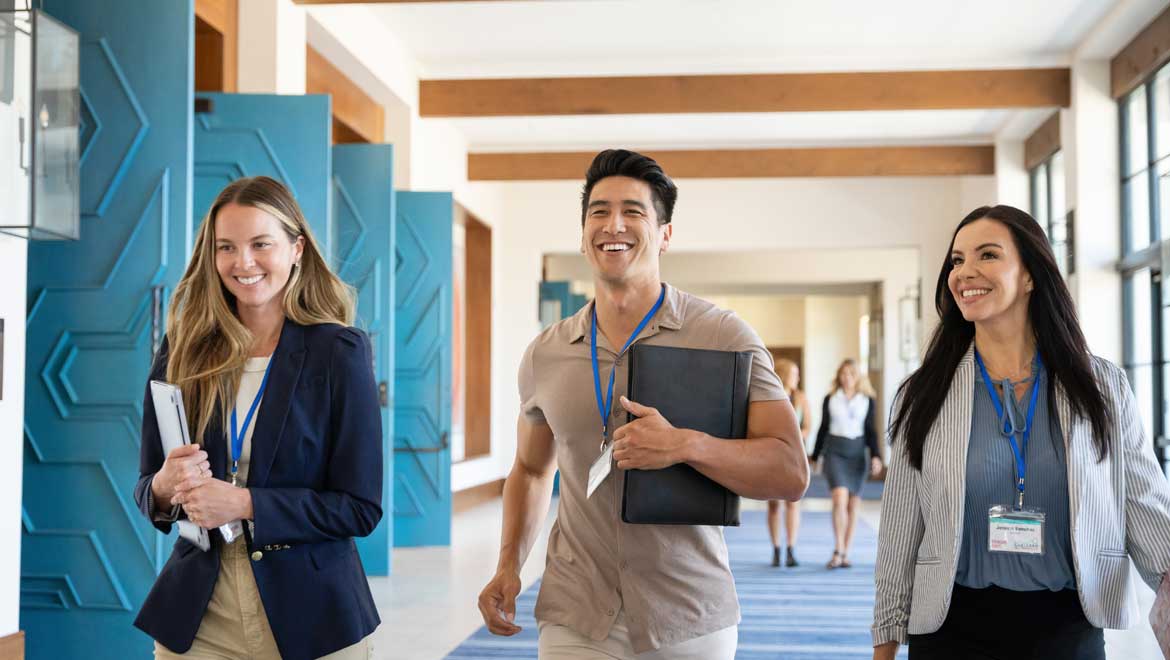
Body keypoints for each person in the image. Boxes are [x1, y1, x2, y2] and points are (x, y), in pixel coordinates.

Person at [476, 149, 808, 660]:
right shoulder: (546, 352)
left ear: (665, 234)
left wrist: (686, 445)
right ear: (583, 234)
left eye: (633, 211)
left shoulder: (724, 336)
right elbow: (532, 470)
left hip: (686, 613)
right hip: (576, 611)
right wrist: (508, 565)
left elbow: (790, 472)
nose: (613, 224)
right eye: (599, 211)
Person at [872, 205, 1170, 660]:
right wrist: (885, 641)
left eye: (987, 255)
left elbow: (1143, 504)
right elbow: (900, 529)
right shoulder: (926, 392)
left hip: (1067, 627)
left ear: (1030, 275)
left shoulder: (1101, 387)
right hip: (951, 628)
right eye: (957, 260)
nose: (964, 272)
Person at [132, 176, 383, 660]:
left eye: (260, 244)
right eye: (226, 247)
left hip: (314, 616)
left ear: (297, 249)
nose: (243, 263)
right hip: (198, 615)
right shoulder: (182, 349)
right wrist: (163, 486)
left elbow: (359, 507)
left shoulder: (339, 351)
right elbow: (148, 485)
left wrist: (245, 504)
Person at [811, 359, 882, 569]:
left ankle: (846, 552)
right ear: (838, 376)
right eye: (843, 373)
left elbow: (871, 430)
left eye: (851, 374)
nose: (847, 378)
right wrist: (815, 456)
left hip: (857, 454)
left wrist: (876, 456)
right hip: (835, 452)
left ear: (858, 377)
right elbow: (823, 427)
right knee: (839, 499)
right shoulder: (831, 398)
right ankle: (838, 548)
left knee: (853, 504)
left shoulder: (867, 400)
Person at [767, 358, 812, 567]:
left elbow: (808, 426)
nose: (798, 378)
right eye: (794, 374)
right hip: (772, 455)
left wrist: (793, 437)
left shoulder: (801, 398)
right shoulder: (769, 396)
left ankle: (791, 549)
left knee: (793, 502)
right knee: (774, 505)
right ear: (784, 375)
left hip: (795, 455)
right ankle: (776, 549)